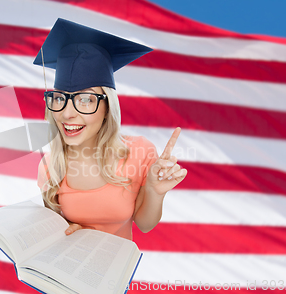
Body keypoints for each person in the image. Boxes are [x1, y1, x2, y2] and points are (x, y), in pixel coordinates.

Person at [34, 19, 187, 241]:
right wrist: (65, 232)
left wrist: (154, 190)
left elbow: (144, 224)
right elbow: (53, 231)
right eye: (59, 98)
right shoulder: (50, 166)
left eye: (85, 100)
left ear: (107, 108)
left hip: (117, 272)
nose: (67, 114)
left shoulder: (138, 152)